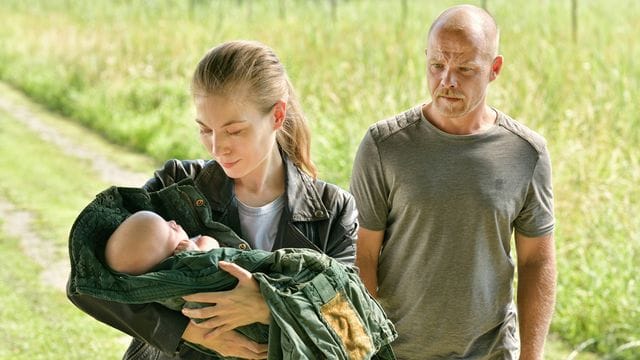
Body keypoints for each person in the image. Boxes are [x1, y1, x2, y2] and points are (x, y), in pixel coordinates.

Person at [67, 40, 359, 360]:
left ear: (277, 115)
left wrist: (269, 305)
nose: (218, 148)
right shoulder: (175, 186)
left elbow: (351, 332)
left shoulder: (332, 210)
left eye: (234, 131)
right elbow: (87, 283)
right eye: (205, 130)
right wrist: (186, 332)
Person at [350, 5, 556, 360]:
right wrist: (361, 350)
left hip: (489, 351)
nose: (447, 81)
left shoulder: (526, 153)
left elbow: (536, 260)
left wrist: (531, 355)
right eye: (437, 65)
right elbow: (362, 255)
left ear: (494, 70)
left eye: (465, 69)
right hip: (398, 351)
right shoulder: (384, 146)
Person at [105, 210, 220, 276]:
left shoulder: (191, 245)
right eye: (172, 229)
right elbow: (212, 245)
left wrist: (196, 250)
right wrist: (197, 255)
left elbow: (211, 242)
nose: (173, 221)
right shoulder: (179, 269)